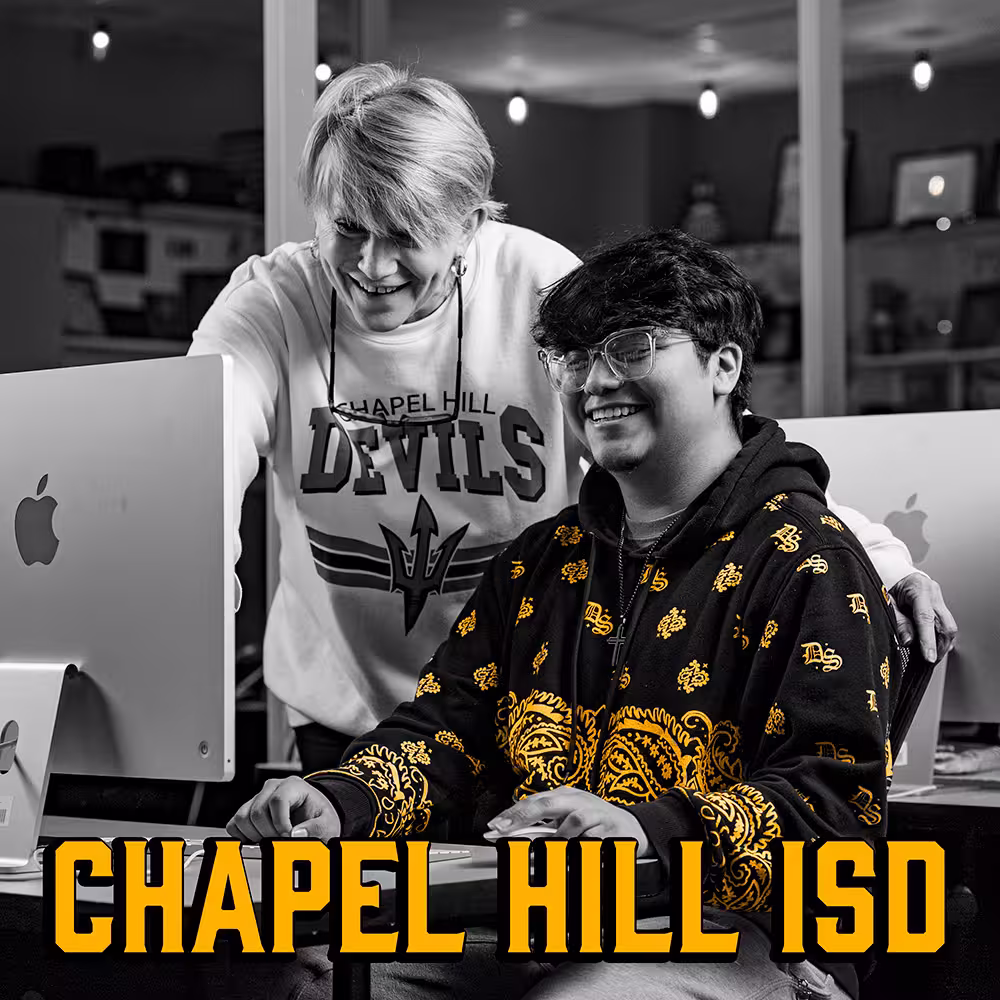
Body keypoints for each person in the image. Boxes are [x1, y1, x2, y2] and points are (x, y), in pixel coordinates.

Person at [191, 61, 953, 777]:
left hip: (511, 702)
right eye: (349, 229)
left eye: (403, 237)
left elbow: (707, 453)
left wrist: (880, 562)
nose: (371, 266)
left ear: (467, 225)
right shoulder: (271, 306)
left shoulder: (538, 286)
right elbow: (195, 474)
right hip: (343, 717)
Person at [228, 229, 904, 1000]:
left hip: (743, 935)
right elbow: (444, 733)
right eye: (574, 360)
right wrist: (335, 801)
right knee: (291, 974)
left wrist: (647, 831)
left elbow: (831, 805)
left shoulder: (809, 562)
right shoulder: (536, 562)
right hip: (532, 920)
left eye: (632, 349)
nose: (596, 382)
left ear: (724, 366)